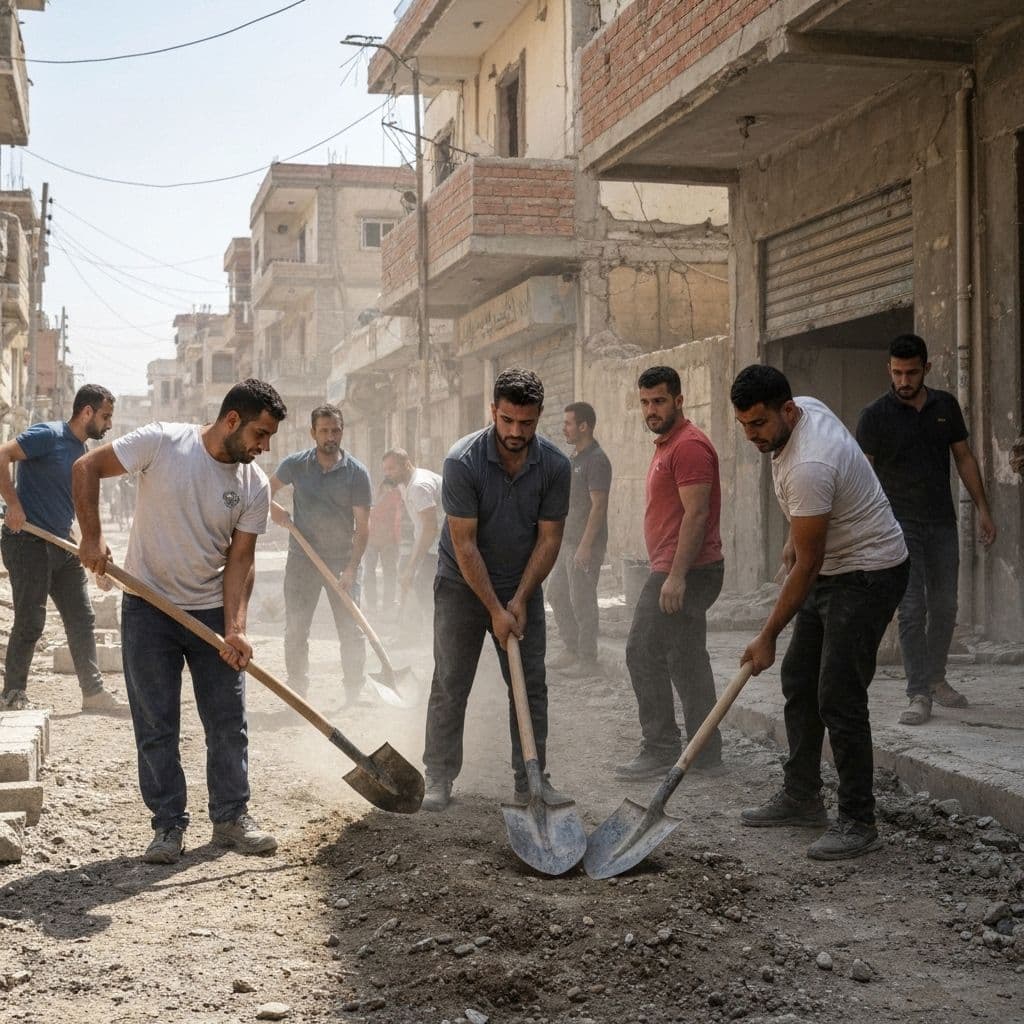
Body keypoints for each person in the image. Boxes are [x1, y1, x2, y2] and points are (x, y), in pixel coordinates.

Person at [74, 379, 287, 865]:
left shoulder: (252, 485)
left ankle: (232, 815)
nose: (263, 446)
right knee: (156, 723)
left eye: (269, 437)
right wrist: (92, 536)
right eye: (260, 433)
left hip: (211, 611)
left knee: (228, 721)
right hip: (149, 608)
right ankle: (168, 826)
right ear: (232, 419)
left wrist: (235, 627)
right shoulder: (162, 442)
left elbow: (240, 562)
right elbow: (87, 466)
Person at [732, 365, 909, 861]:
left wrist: (766, 633)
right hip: (833, 564)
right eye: (744, 425)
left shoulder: (810, 464)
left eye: (760, 424)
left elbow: (807, 568)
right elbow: (815, 528)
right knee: (798, 677)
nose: (752, 436)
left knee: (838, 692)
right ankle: (802, 795)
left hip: (869, 572)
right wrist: (796, 535)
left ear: (787, 411)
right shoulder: (804, 409)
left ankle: (858, 819)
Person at [421, 367, 571, 811]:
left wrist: (520, 599)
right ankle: (439, 776)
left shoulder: (556, 466)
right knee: (451, 679)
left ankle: (531, 780)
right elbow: (464, 545)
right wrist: (494, 608)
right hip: (461, 584)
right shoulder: (462, 461)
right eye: (507, 421)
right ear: (493, 412)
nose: (515, 432)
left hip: (521, 582)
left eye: (526, 423)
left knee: (531, 684)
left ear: (539, 416)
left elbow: (549, 540)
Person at [856, 334, 996, 725]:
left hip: (941, 522)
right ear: (889, 369)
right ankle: (918, 692)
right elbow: (862, 477)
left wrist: (984, 509)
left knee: (946, 605)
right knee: (912, 608)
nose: (904, 380)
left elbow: (964, 459)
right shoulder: (874, 416)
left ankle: (937, 678)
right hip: (898, 527)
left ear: (926, 369)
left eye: (911, 372)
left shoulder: (945, 407)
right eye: (897, 372)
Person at [614, 367, 725, 779]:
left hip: (686, 570)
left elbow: (696, 514)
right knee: (685, 658)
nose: (650, 410)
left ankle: (661, 747)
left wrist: (675, 577)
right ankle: (705, 750)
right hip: (681, 567)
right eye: (644, 402)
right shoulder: (668, 443)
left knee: (641, 650)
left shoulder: (689, 446)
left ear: (679, 400)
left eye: (659, 401)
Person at [0, 384, 128, 714]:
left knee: (81, 616)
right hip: (26, 541)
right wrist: (12, 503)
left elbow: (68, 506)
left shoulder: (84, 456)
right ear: (87, 412)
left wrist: (94, 544)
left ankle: (93, 693)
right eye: (106, 416)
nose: (109, 424)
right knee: (31, 620)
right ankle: (13, 694)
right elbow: (2, 454)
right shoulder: (48, 435)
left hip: (60, 543)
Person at [269, 404, 371, 704]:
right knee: (297, 628)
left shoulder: (357, 473)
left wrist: (352, 568)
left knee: (351, 629)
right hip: (302, 560)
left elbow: (363, 528)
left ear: (342, 431)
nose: (330, 436)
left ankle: (354, 690)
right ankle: (298, 690)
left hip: (342, 561)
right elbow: (263, 489)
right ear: (313, 433)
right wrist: (274, 509)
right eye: (324, 430)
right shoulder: (295, 465)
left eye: (336, 430)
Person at [547, 402, 612, 677]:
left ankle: (588, 660)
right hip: (568, 542)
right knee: (556, 594)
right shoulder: (576, 457)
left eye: (568, 423)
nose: (564, 428)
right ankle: (572, 649)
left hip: (585, 544)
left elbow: (599, 506)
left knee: (583, 600)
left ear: (584, 426)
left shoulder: (597, 459)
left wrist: (585, 546)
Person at [381, 448, 441, 629]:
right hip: (430, 543)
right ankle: (411, 631)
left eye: (391, 469)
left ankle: (434, 630)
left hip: (441, 545)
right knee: (411, 582)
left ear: (406, 464)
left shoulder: (418, 486)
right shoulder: (405, 482)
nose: (388, 474)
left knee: (422, 585)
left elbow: (430, 528)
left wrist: (412, 565)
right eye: (385, 470)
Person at [363, 478, 402, 616]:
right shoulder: (390, 496)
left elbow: (397, 520)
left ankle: (385, 604)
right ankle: (381, 604)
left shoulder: (394, 496)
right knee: (375, 573)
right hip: (376, 540)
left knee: (386, 573)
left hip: (386, 541)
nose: (387, 490)